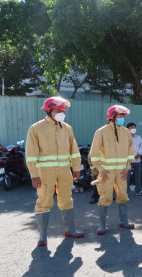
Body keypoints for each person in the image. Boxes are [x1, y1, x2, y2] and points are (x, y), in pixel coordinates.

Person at [26, 96, 84, 246]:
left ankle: (70, 229)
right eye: (58, 110)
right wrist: (34, 175)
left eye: (63, 110)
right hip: (45, 172)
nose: (61, 113)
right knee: (44, 200)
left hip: (65, 170)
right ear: (49, 110)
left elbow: (74, 150)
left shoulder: (67, 128)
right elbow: (31, 153)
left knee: (66, 199)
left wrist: (76, 168)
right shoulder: (36, 128)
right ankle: (43, 236)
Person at [90, 105, 135, 235]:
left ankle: (123, 221)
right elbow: (94, 153)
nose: (122, 119)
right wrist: (100, 169)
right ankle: (102, 225)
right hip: (106, 172)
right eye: (120, 116)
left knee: (123, 195)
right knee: (105, 196)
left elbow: (130, 151)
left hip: (122, 171)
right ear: (112, 117)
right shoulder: (101, 131)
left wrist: (127, 167)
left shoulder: (126, 132)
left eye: (123, 116)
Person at [126, 122, 142, 195]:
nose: (133, 129)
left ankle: (139, 190)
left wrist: (139, 154)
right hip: (128, 161)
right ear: (128, 129)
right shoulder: (125, 138)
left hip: (138, 160)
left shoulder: (138, 137)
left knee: (138, 176)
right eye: (131, 127)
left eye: (134, 127)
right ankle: (125, 192)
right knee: (127, 177)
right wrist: (131, 156)